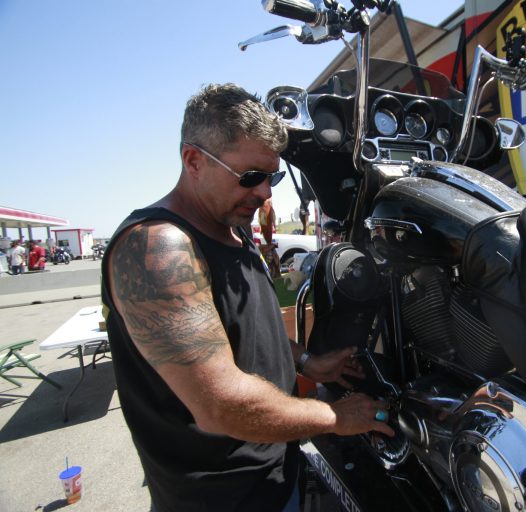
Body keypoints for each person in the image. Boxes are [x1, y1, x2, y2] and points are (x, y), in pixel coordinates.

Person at [101, 83, 393, 512]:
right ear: (194, 161)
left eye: (271, 176)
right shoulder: (159, 250)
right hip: (224, 498)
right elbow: (222, 404)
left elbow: (245, 333)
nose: (265, 193)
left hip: (275, 470)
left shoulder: (233, 229)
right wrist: (336, 417)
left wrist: (308, 362)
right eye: (251, 177)